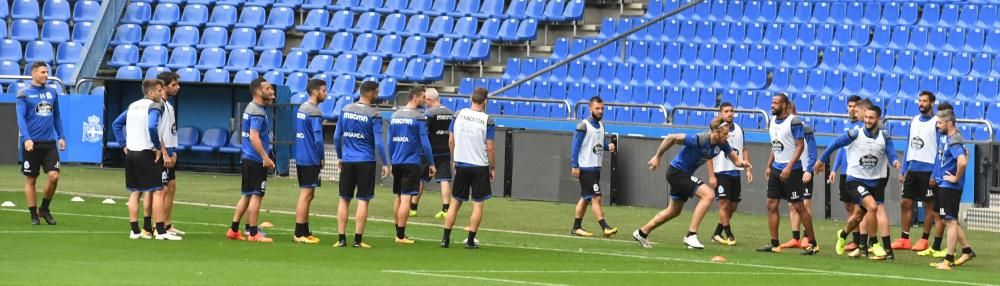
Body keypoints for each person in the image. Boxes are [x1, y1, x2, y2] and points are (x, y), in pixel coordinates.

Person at [633, 117, 751, 250]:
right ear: (716, 132)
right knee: (708, 195)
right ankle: (691, 235)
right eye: (725, 133)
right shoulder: (700, 139)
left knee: (673, 211)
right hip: (677, 172)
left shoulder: (722, 143)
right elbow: (671, 137)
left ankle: (642, 232)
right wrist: (658, 156)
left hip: (684, 174)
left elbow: (735, 160)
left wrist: (743, 163)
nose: (728, 136)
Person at [816, 105, 901, 260]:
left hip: (875, 182)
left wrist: (895, 161)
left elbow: (890, 151)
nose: (868, 120)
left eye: (871, 118)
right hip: (855, 180)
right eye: (866, 117)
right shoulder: (855, 134)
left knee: (857, 217)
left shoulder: (884, 136)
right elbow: (835, 143)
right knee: (873, 207)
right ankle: (874, 244)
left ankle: (843, 234)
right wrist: (821, 160)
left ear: (878, 119)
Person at [111, 79, 180, 241]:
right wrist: (157, 147)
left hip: (132, 153)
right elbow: (151, 126)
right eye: (158, 91)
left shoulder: (133, 105)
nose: (160, 94)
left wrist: (123, 144)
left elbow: (116, 124)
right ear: (150, 93)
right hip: (146, 152)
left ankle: (135, 231)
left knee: (136, 192)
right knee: (157, 191)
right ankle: (161, 231)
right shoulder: (154, 106)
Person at [756, 93, 818, 255]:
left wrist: (789, 167)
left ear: (784, 105)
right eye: (772, 102)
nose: (772, 105)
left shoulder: (794, 122)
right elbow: (775, 145)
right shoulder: (771, 122)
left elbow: (800, 146)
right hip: (776, 169)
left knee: (799, 206)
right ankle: (774, 243)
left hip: (793, 170)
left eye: (776, 103)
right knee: (771, 205)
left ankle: (813, 242)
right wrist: (769, 165)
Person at [333, 81, 389, 248]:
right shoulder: (374, 114)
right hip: (365, 161)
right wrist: (385, 162)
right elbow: (379, 142)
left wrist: (340, 156)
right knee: (363, 200)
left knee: (344, 199)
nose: (378, 94)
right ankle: (357, 240)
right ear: (371, 93)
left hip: (348, 160)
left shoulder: (346, 109)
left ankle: (341, 238)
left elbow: (337, 136)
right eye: (377, 91)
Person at [441, 87, 496, 249]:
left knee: (455, 202)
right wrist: (492, 167)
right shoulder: (487, 120)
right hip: (479, 165)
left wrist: (454, 159)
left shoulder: (458, 115)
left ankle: (445, 239)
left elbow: (451, 140)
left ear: (471, 98)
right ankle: (471, 240)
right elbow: (490, 147)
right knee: (477, 203)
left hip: (461, 163)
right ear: (485, 101)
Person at [226, 78, 276, 243]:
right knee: (256, 195)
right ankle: (253, 233)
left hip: (248, 157)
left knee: (247, 195)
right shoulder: (258, 112)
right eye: (268, 88)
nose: (271, 91)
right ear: (258, 91)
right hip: (255, 159)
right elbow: (254, 136)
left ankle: (234, 230)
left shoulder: (251, 107)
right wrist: (265, 157)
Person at [15, 62, 65, 225]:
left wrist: (61, 136)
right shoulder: (24, 94)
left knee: (54, 176)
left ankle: (44, 209)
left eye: (47, 72)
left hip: (49, 142)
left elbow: (56, 115)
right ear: (33, 74)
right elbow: (21, 118)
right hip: (32, 143)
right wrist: (27, 138)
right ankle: (33, 215)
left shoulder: (52, 92)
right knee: (31, 179)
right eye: (43, 72)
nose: (46, 75)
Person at [893, 91, 941, 252]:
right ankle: (904, 238)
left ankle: (924, 239)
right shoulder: (913, 120)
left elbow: (939, 150)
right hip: (913, 169)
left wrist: (935, 173)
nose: (921, 103)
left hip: (928, 170)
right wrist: (904, 169)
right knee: (905, 202)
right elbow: (909, 146)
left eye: (924, 101)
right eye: (919, 100)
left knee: (928, 205)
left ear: (932, 103)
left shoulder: (936, 123)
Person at [928, 110, 976, 270]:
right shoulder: (953, 138)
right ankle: (967, 251)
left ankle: (948, 259)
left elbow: (961, 161)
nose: (938, 126)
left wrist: (955, 178)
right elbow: (966, 154)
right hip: (944, 185)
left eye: (940, 123)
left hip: (950, 186)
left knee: (950, 221)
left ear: (949, 123)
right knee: (948, 220)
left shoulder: (954, 140)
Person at [388, 87, 436, 244]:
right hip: (411, 162)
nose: (424, 99)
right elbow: (425, 143)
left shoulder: (395, 115)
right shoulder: (419, 117)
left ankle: (398, 231)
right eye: (423, 97)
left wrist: (391, 160)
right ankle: (401, 236)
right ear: (415, 97)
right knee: (406, 199)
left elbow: (389, 141)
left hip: (397, 160)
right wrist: (431, 162)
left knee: (398, 197)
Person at [569, 96, 618, 238]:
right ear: (590, 108)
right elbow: (575, 146)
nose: (600, 111)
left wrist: (607, 147)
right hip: (586, 167)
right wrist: (575, 165)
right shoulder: (583, 126)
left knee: (585, 198)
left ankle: (576, 227)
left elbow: (597, 145)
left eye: (602, 108)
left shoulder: (602, 126)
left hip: (596, 167)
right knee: (596, 197)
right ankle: (605, 227)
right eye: (597, 108)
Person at [707, 102, 752, 246]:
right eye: (726, 111)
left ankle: (717, 233)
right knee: (724, 204)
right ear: (720, 113)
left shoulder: (739, 129)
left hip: (735, 171)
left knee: (732, 205)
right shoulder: (716, 130)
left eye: (732, 111)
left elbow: (744, 148)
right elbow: (708, 154)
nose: (730, 113)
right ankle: (730, 235)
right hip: (720, 171)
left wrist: (748, 168)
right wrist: (712, 175)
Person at [826, 95, 864, 252]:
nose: (852, 109)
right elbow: (842, 150)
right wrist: (835, 169)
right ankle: (855, 240)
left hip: (859, 174)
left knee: (859, 208)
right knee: (849, 206)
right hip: (846, 173)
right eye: (850, 106)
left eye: (855, 106)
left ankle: (862, 240)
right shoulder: (845, 125)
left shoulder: (863, 127)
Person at [292, 79, 328, 244]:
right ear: (315, 91)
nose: (325, 94)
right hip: (310, 158)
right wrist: (321, 156)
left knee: (309, 194)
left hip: (302, 156)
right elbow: (318, 139)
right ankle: (299, 233)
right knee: (306, 194)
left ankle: (305, 231)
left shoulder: (302, 108)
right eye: (323, 90)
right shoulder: (314, 112)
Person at [917, 102, 954, 258]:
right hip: (938, 179)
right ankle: (936, 246)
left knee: (948, 217)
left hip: (947, 184)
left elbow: (962, 158)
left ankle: (956, 249)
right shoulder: (942, 135)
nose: (937, 123)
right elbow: (938, 158)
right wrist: (934, 174)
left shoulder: (954, 138)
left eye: (940, 119)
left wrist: (955, 177)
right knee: (937, 212)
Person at [779, 101, 817, 250]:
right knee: (792, 204)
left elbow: (812, 151)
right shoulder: (783, 128)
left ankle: (807, 236)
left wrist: (809, 170)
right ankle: (795, 237)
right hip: (792, 170)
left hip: (804, 170)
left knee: (805, 204)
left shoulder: (804, 127)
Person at [417, 88, 454, 219]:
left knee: (420, 179)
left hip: (429, 152)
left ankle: (413, 208)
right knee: (444, 180)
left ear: (429, 99)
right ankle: (445, 209)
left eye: (425, 99)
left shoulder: (429, 113)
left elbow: (424, 131)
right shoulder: (450, 112)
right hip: (445, 151)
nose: (424, 102)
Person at [154, 71, 183, 236]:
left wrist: (174, 150)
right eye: (173, 85)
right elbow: (158, 131)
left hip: (171, 150)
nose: (177, 88)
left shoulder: (168, 105)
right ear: (163, 86)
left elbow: (170, 131)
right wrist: (165, 152)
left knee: (171, 187)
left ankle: (167, 223)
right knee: (161, 190)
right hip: (163, 152)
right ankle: (157, 226)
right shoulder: (159, 105)